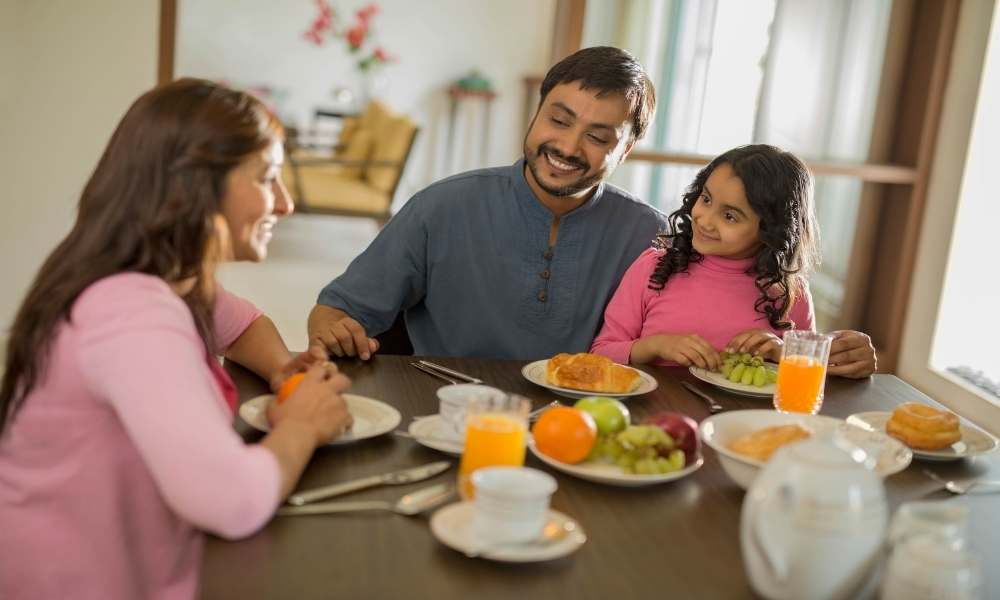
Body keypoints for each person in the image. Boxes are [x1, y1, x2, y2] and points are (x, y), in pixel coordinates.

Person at [0, 79, 353, 600]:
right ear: (197, 185)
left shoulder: (159, 275)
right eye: (268, 178)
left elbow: (240, 323)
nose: (285, 203)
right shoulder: (131, 311)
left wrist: (283, 369)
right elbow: (231, 500)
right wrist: (300, 426)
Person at [308, 46, 667, 361]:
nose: (568, 147)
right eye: (558, 120)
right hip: (444, 412)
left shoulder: (649, 234)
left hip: (582, 425)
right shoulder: (440, 207)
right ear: (536, 113)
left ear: (625, 151)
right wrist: (337, 332)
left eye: (597, 137)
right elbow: (336, 311)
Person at [591, 144, 877, 378]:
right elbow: (601, 353)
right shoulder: (654, 267)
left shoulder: (791, 292)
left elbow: (806, 377)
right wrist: (655, 347)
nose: (705, 220)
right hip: (657, 418)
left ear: (771, 230)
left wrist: (781, 352)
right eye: (706, 199)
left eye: (730, 216)